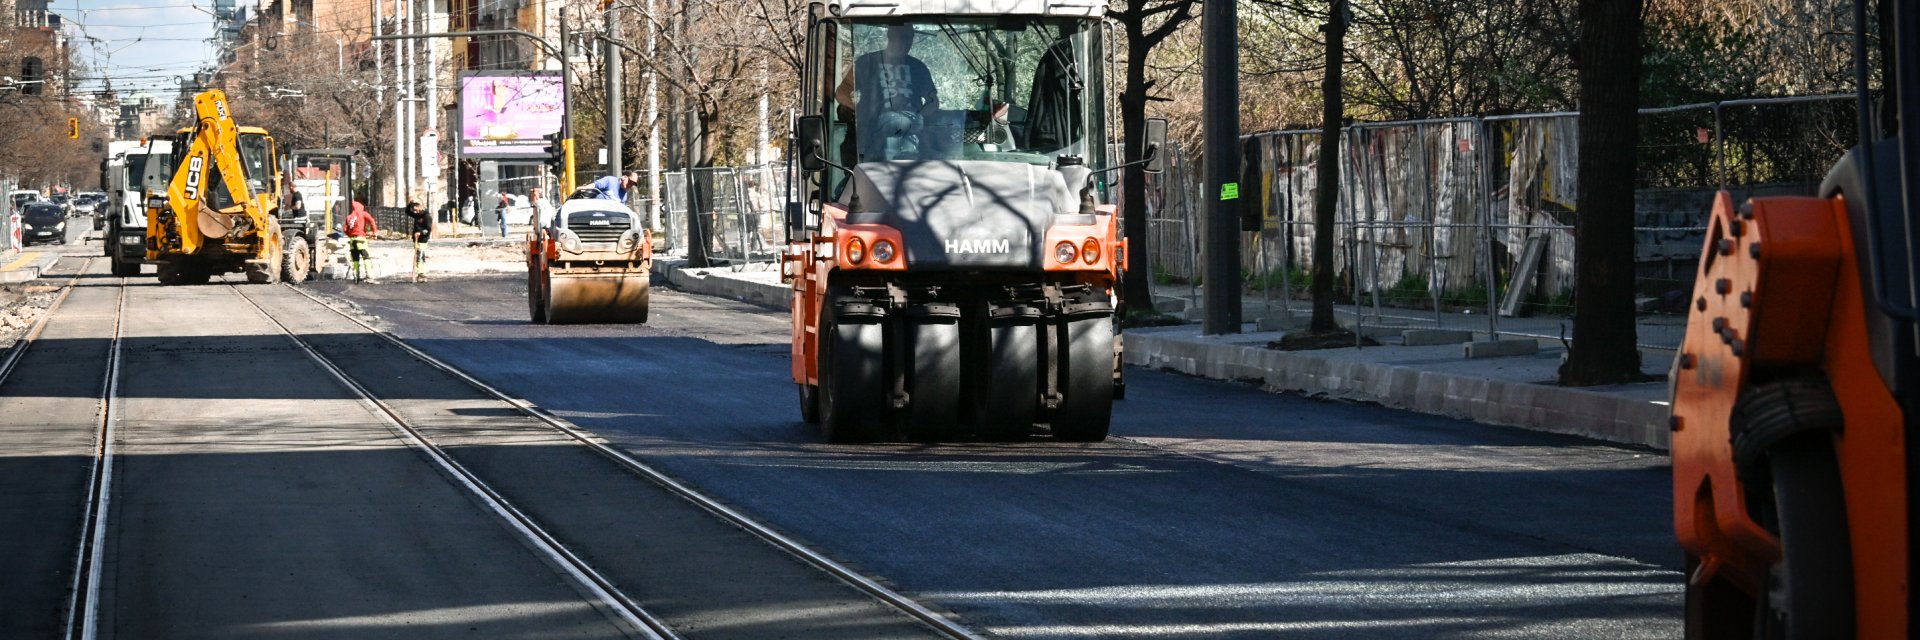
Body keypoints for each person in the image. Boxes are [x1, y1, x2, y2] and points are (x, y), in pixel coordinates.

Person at [835, 24, 940, 161]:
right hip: (871, 137)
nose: (906, 42)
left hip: (910, 133)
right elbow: (841, 93)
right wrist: (860, 114)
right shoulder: (866, 62)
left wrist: (919, 118)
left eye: (909, 38)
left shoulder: (918, 67)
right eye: (901, 37)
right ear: (890, 36)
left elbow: (933, 101)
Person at [343, 200, 378, 282]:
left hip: (352, 241)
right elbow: (371, 221)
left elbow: (345, 229)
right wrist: (375, 232)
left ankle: (356, 276)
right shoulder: (363, 213)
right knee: (366, 257)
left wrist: (351, 235)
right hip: (361, 239)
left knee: (355, 259)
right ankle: (369, 277)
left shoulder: (349, 217)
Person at [407, 200, 432, 282]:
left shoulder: (426, 216)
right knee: (419, 255)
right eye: (413, 209)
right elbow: (407, 212)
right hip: (416, 239)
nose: (414, 211)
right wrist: (410, 203)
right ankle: (420, 272)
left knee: (420, 255)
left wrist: (420, 233)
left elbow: (428, 229)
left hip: (423, 240)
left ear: (420, 207)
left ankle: (421, 273)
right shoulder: (416, 215)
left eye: (415, 209)